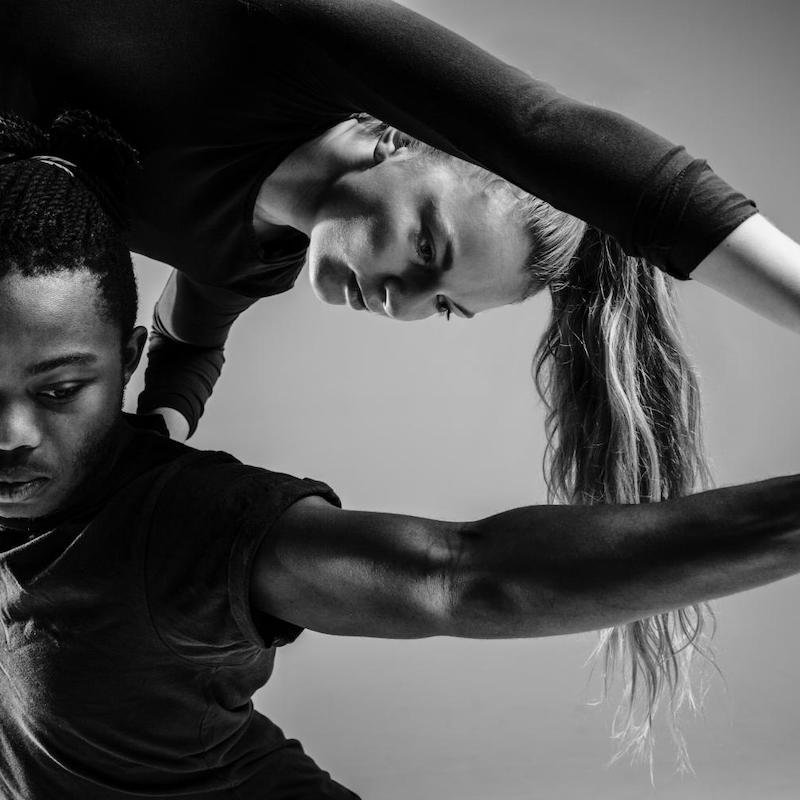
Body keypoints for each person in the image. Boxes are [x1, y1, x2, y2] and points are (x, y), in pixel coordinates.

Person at [2, 118, 800, 800]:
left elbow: (460, 576)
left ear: (127, 357)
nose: (10, 434)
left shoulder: (176, 522)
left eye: (63, 388)